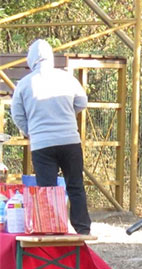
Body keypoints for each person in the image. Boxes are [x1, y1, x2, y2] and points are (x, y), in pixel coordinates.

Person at [11, 39, 91, 235]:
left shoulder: (24, 84)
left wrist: (32, 131)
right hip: (70, 140)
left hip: (41, 144)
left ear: (31, 59)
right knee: (75, 185)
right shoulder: (67, 78)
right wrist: (68, 115)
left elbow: (17, 115)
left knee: (47, 189)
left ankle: (51, 228)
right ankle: (82, 228)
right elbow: (82, 101)